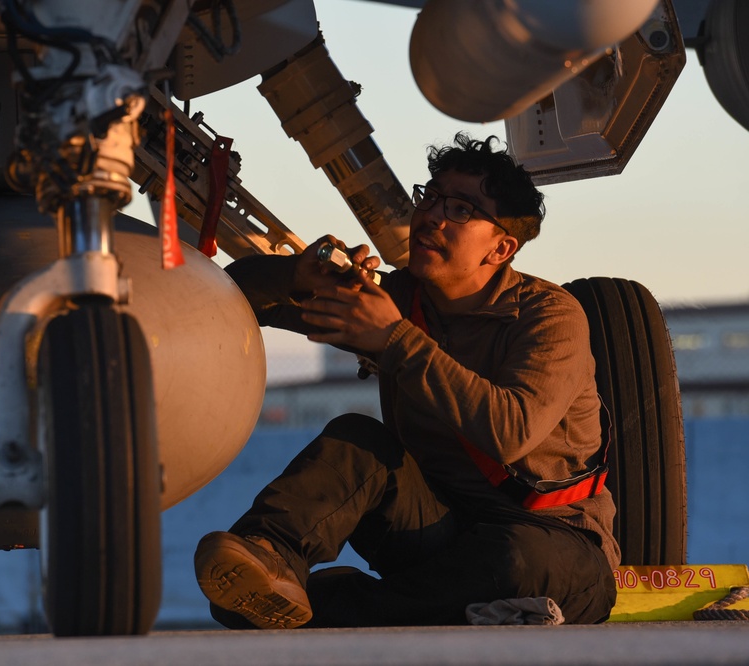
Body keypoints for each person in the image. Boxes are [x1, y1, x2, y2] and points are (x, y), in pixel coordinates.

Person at [193, 133, 619, 629]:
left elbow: (510, 432)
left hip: (552, 539)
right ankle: (266, 557)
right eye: (431, 197)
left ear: (501, 247)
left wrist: (393, 339)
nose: (433, 216)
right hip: (434, 530)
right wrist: (294, 276)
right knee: (357, 440)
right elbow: (234, 298)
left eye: (462, 209)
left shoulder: (549, 318)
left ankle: (320, 608)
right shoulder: (397, 299)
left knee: (514, 562)